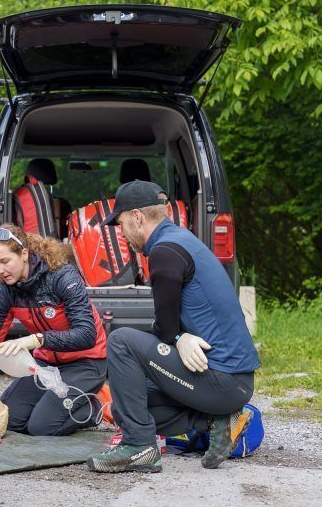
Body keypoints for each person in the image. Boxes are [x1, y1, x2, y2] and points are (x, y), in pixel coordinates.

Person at [86, 180, 259, 474]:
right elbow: (168, 329)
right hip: (233, 383)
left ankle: (139, 448)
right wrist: (178, 337)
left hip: (223, 380)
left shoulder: (165, 252)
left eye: (123, 224)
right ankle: (216, 421)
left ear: (137, 217)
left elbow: (165, 327)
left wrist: (177, 337)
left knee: (121, 341)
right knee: (125, 407)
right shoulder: (182, 239)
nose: (123, 233)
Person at [0, 224, 108, 436]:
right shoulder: (7, 291)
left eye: (5, 261)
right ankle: (57, 404)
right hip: (46, 364)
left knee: (41, 427)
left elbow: (87, 335)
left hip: (86, 362)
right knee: (10, 419)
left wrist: (36, 340)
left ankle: (92, 405)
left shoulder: (62, 277)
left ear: (24, 254)